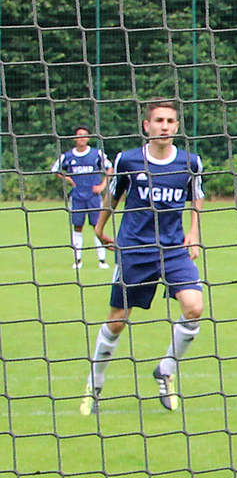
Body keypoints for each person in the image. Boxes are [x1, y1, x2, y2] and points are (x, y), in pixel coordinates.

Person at [81, 99, 205, 416]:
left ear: (177, 127)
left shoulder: (190, 163)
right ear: (146, 125)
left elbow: (197, 197)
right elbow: (114, 195)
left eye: (170, 121)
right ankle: (94, 385)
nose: (165, 126)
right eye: (159, 120)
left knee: (194, 307)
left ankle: (165, 369)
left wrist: (194, 232)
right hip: (135, 249)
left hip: (173, 249)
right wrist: (99, 226)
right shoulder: (129, 160)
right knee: (118, 321)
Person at [52, 125, 112, 270]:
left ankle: (102, 260)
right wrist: (68, 179)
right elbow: (55, 170)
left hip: (93, 197)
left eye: (84, 135)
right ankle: (78, 260)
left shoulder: (96, 154)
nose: (82, 138)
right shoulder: (68, 156)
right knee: (77, 227)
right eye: (79, 135)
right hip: (78, 197)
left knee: (97, 226)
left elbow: (110, 168)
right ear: (74, 138)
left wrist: (102, 185)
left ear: (88, 138)